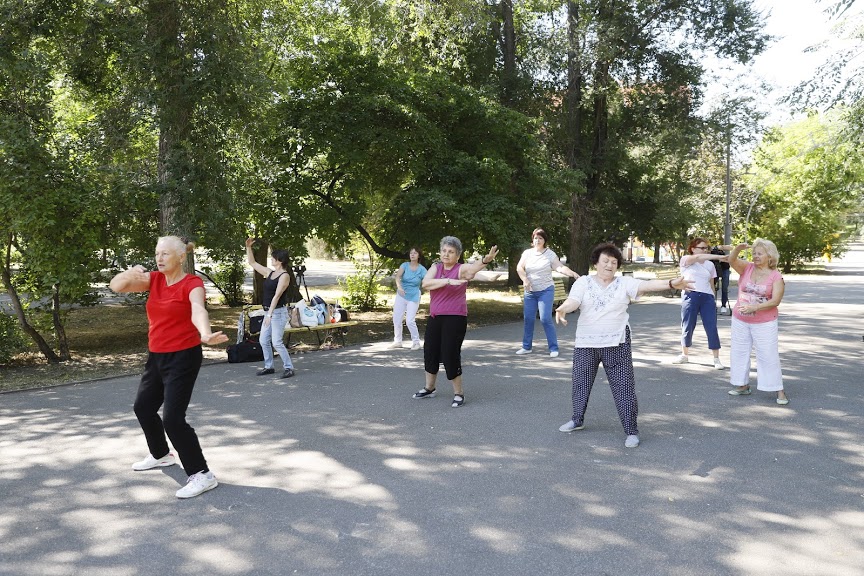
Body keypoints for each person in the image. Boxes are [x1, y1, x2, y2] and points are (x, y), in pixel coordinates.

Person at [109, 236, 228, 498]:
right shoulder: (155, 280)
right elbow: (116, 286)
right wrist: (130, 272)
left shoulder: (192, 283)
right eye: (157, 253)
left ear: (181, 257)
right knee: (143, 408)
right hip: (157, 356)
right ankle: (161, 454)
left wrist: (205, 334)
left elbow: (198, 309)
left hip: (183, 356)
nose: (159, 258)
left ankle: (202, 475)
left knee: (173, 419)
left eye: (165, 254)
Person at [555, 243, 692, 448]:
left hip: (616, 342)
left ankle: (631, 431)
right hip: (586, 342)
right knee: (581, 383)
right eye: (605, 261)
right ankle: (577, 419)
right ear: (596, 262)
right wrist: (562, 309)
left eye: (614, 262)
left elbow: (646, 285)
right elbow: (573, 301)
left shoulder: (623, 283)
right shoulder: (583, 282)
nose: (609, 265)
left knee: (623, 388)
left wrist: (672, 283)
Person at [411, 236, 498, 408]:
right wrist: (448, 281)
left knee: (450, 354)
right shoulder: (435, 268)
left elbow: (472, 270)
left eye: (450, 252)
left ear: (457, 255)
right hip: (436, 317)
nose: (446, 254)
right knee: (430, 352)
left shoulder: (461, 268)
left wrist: (485, 260)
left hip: (455, 318)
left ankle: (459, 393)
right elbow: (426, 283)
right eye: (444, 251)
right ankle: (429, 388)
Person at [726, 239, 789, 405]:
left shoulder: (776, 277)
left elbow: (775, 301)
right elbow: (731, 260)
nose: (755, 256)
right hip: (740, 319)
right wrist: (737, 249)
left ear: (770, 256)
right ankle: (742, 385)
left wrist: (755, 307)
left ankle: (779, 390)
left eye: (759, 253)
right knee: (739, 352)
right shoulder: (747, 268)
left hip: (765, 322)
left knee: (768, 355)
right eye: (754, 253)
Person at [515, 228, 579, 358]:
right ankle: (526, 347)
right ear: (532, 240)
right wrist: (525, 279)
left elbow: (559, 267)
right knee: (528, 319)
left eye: (540, 238)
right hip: (530, 292)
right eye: (535, 238)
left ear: (545, 240)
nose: (537, 240)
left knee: (545, 319)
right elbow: (519, 268)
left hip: (546, 290)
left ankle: (553, 348)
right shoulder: (527, 253)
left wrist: (572, 273)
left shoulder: (550, 254)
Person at [671, 237, 730, 369]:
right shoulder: (686, 260)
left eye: (706, 248)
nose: (704, 250)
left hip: (707, 297)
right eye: (701, 248)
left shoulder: (709, 265)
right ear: (693, 249)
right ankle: (684, 355)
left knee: (711, 327)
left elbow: (711, 284)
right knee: (687, 325)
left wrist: (713, 299)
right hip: (690, 295)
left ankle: (716, 358)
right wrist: (718, 257)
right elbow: (697, 258)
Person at [245, 238, 295, 378]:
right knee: (263, 340)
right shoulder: (270, 273)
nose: (271, 260)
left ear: (279, 260)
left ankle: (289, 368)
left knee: (277, 342)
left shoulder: (284, 276)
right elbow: (252, 263)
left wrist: (269, 315)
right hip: (269, 311)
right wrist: (248, 248)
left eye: (273, 258)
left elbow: (277, 296)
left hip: (277, 313)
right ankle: (269, 366)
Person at [391, 247, 428, 350]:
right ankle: (398, 341)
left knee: (410, 321)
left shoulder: (421, 269)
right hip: (401, 295)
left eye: (415, 253)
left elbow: (428, 280)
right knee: (397, 319)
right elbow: (398, 277)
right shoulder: (404, 265)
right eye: (411, 253)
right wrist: (399, 287)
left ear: (419, 256)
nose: (412, 255)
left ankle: (416, 342)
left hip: (414, 296)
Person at [711, 244, 732, 315]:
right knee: (712, 287)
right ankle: (712, 305)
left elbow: (730, 247)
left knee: (724, 288)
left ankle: (723, 305)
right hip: (715, 269)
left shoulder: (721, 251)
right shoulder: (710, 253)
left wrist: (720, 247)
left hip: (725, 269)